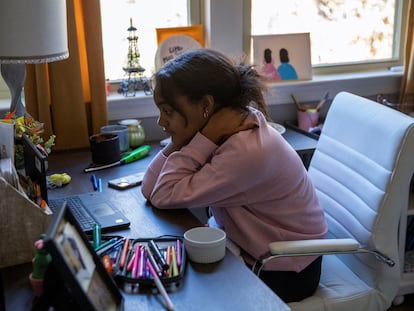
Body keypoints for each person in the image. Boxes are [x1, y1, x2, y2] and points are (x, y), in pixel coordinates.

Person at [141, 48, 327, 303]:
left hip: (286, 268)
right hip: (250, 246)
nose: (161, 121)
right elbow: (150, 189)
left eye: (169, 111)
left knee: (188, 295)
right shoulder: (222, 130)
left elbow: (162, 194)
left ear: (206, 105)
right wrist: (179, 142)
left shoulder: (245, 150)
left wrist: (199, 139)